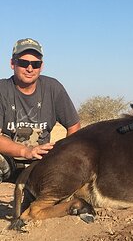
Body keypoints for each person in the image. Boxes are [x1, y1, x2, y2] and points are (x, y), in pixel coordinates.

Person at [0, 38, 81, 182]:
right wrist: (26, 151)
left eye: (35, 64)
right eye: (23, 63)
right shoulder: (2, 90)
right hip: (8, 161)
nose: (30, 69)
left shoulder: (53, 88)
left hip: (42, 163)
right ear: (12, 64)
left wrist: (65, 155)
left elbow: (74, 126)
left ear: (41, 66)